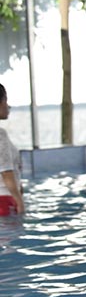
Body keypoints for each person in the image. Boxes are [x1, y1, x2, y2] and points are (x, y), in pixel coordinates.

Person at [0, 84, 24, 216]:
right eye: (5, 100)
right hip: (4, 201)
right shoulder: (0, 135)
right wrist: (20, 202)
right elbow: (6, 172)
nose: (8, 106)